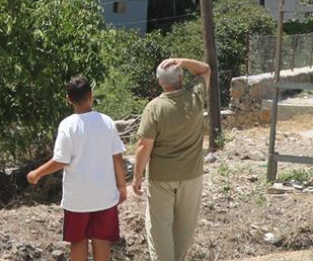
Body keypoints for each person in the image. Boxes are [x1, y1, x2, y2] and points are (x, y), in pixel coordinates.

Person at [28, 76, 127, 261]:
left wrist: (37, 173)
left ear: (68, 99)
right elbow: (118, 157)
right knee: (101, 239)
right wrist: (122, 186)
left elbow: (61, 160)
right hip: (104, 195)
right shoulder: (106, 122)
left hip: (77, 198)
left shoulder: (68, 125)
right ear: (91, 95)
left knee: (78, 241)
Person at [133, 57, 210, 261]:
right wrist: (181, 61)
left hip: (161, 179)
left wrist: (137, 177)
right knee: (184, 227)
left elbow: (144, 146)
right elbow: (205, 70)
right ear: (181, 78)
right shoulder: (195, 97)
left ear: (160, 82)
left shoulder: (155, 108)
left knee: (159, 225)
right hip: (192, 176)